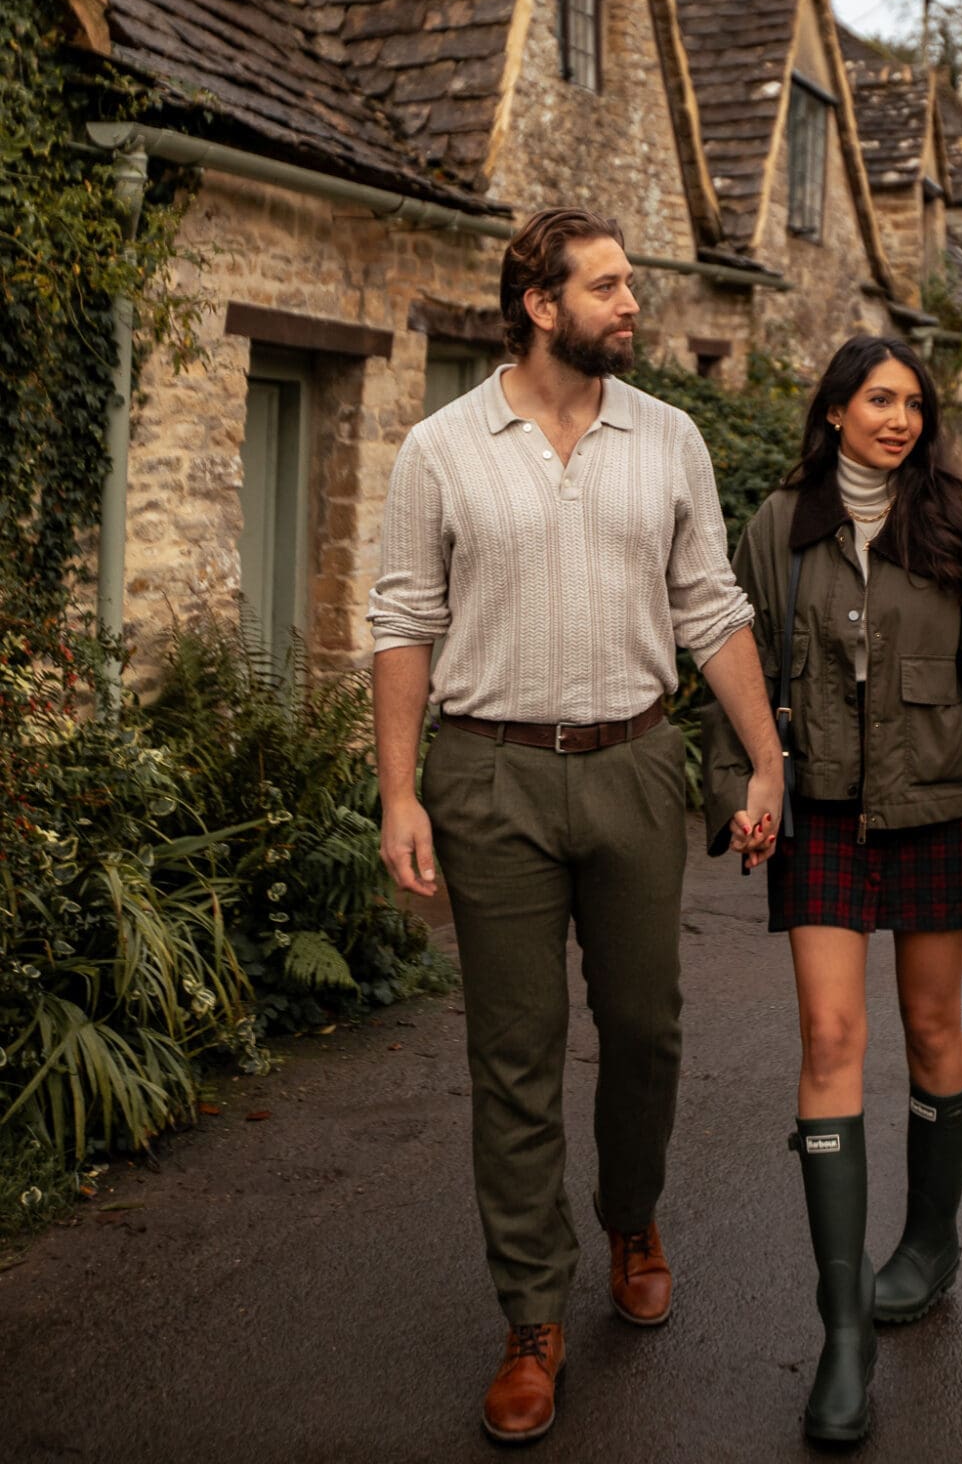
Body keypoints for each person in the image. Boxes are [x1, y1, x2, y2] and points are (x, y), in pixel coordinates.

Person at [369, 208, 783, 1445]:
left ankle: (632, 1212)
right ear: (540, 303)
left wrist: (765, 756)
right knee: (514, 1052)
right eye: (606, 286)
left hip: (637, 765)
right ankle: (531, 1314)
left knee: (646, 1026)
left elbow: (710, 607)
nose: (632, 304)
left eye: (631, 285)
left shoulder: (671, 439)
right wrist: (398, 790)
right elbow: (402, 619)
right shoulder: (442, 448)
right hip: (489, 776)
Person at [704, 335, 962, 1445]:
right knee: (829, 1033)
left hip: (937, 808)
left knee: (931, 1026)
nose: (899, 418)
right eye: (878, 398)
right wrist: (739, 786)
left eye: (914, 402)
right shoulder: (777, 526)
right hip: (820, 808)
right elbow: (729, 666)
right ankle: (841, 1333)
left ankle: (929, 1243)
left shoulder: (959, 527)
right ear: (831, 410)